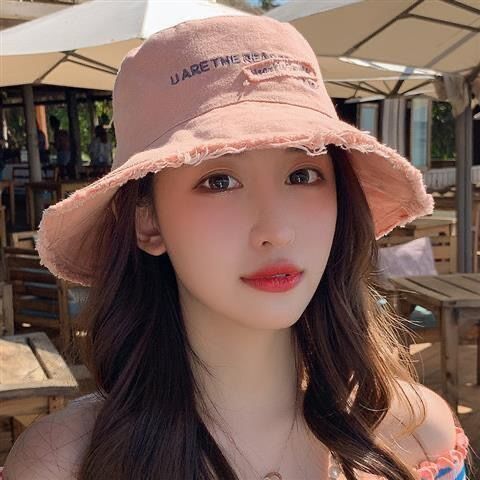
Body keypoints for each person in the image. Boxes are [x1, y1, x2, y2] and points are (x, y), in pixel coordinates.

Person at [2, 15, 473, 480]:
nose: (277, 231)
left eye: (302, 175)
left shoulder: (417, 438)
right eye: (219, 181)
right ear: (148, 222)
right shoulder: (61, 465)